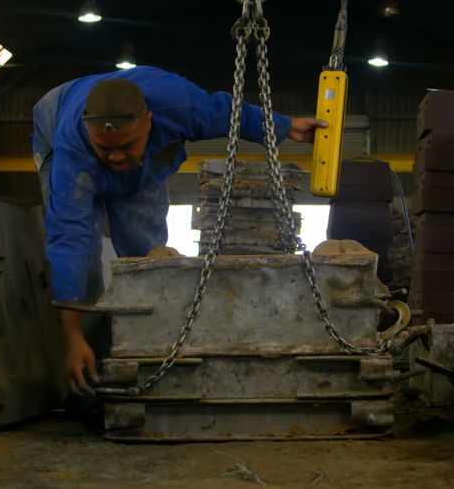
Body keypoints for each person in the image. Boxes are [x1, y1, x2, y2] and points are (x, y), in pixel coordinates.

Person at [31, 66, 326, 398]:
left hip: (144, 153)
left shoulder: (181, 105)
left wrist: (285, 126)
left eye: (126, 145)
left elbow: (229, 113)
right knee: (82, 261)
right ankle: (89, 375)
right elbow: (67, 239)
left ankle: (146, 355)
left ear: (149, 121)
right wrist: (72, 338)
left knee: (146, 254)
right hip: (56, 116)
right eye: (105, 149)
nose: (115, 157)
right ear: (90, 135)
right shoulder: (72, 149)